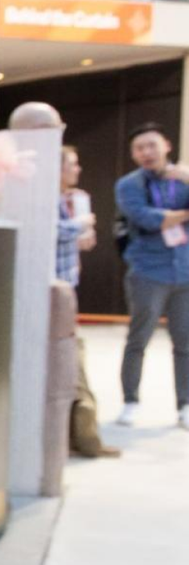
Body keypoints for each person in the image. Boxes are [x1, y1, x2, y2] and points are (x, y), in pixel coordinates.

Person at [111, 122, 189, 431]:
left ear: (166, 145)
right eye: (139, 148)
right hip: (147, 271)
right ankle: (130, 401)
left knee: (185, 342)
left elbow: (162, 219)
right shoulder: (128, 184)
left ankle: (185, 405)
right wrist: (181, 215)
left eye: (151, 145)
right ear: (133, 154)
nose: (146, 152)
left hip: (185, 271)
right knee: (138, 338)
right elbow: (144, 217)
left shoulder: (184, 179)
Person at [56, 145, 118, 456]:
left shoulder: (71, 200)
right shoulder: (47, 199)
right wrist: (79, 224)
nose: (77, 169)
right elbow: (51, 230)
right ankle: (84, 438)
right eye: (73, 164)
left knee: (73, 361)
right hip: (53, 295)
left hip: (67, 290)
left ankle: (82, 436)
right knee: (71, 364)